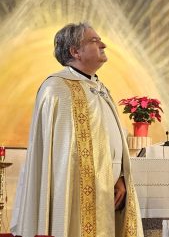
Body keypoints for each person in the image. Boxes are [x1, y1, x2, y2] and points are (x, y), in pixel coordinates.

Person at [11, 23, 143, 237]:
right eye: (94, 40)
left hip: (110, 186)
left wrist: (119, 176)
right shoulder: (57, 89)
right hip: (75, 190)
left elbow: (107, 136)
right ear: (75, 51)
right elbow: (61, 155)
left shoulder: (99, 88)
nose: (103, 44)